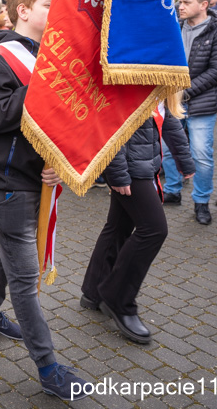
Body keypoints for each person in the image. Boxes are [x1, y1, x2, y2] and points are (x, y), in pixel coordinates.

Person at [0, 0, 88, 400]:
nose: (55, 15)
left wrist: (55, 159)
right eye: (46, 6)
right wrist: (45, 80)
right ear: (23, 10)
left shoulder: (47, 55)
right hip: (5, 181)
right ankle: (48, 367)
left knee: (9, 245)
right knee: (25, 277)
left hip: (33, 176)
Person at [82, 93, 195, 344]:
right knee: (154, 230)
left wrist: (185, 160)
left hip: (141, 165)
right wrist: (118, 174)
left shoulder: (155, 79)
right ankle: (118, 298)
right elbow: (112, 126)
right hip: (129, 169)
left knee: (118, 226)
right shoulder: (132, 74)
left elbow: (169, 120)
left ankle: (93, 291)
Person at [161, 0, 217, 225]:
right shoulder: (174, 26)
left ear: (204, 5)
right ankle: (172, 190)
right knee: (168, 148)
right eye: (180, 1)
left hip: (201, 103)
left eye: (187, 2)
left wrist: (185, 92)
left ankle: (201, 202)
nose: (180, 6)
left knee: (200, 155)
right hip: (171, 100)